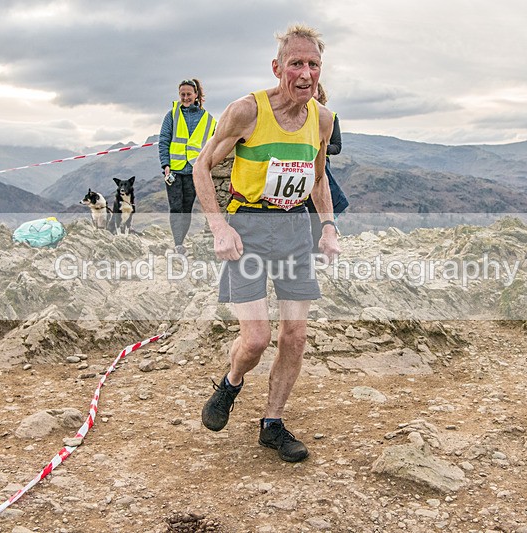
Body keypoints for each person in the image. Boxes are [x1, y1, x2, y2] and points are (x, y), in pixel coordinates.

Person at [192, 24, 340, 462]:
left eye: (313, 64)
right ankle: (232, 381)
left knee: (294, 336)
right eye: (296, 63)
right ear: (277, 68)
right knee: (256, 339)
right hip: (249, 230)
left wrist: (328, 226)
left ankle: (272, 424)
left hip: (295, 231)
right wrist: (220, 228)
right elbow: (202, 167)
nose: (306, 72)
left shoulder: (323, 119)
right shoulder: (246, 112)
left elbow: (317, 178)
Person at [159, 78, 217, 255]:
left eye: (188, 94)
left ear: (196, 95)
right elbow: (164, 141)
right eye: (182, 94)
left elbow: (215, 143)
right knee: (176, 208)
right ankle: (178, 244)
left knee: (187, 208)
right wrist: (165, 165)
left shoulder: (208, 119)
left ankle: (181, 240)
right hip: (174, 171)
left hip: (195, 171)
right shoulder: (172, 115)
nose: (185, 97)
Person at [306, 82, 349, 252]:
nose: (310, 92)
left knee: (320, 206)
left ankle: (323, 242)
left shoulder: (330, 116)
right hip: (298, 169)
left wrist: (319, 149)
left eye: (314, 89)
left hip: (321, 167)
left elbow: (337, 147)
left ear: (319, 93)